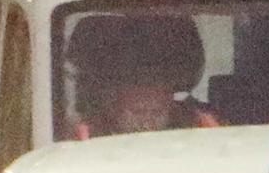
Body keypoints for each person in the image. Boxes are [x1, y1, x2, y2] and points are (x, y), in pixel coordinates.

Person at [62, 12, 214, 138]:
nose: (147, 124)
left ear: (170, 105)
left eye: (157, 113)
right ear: (113, 107)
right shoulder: (88, 135)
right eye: (138, 113)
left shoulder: (198, 126)